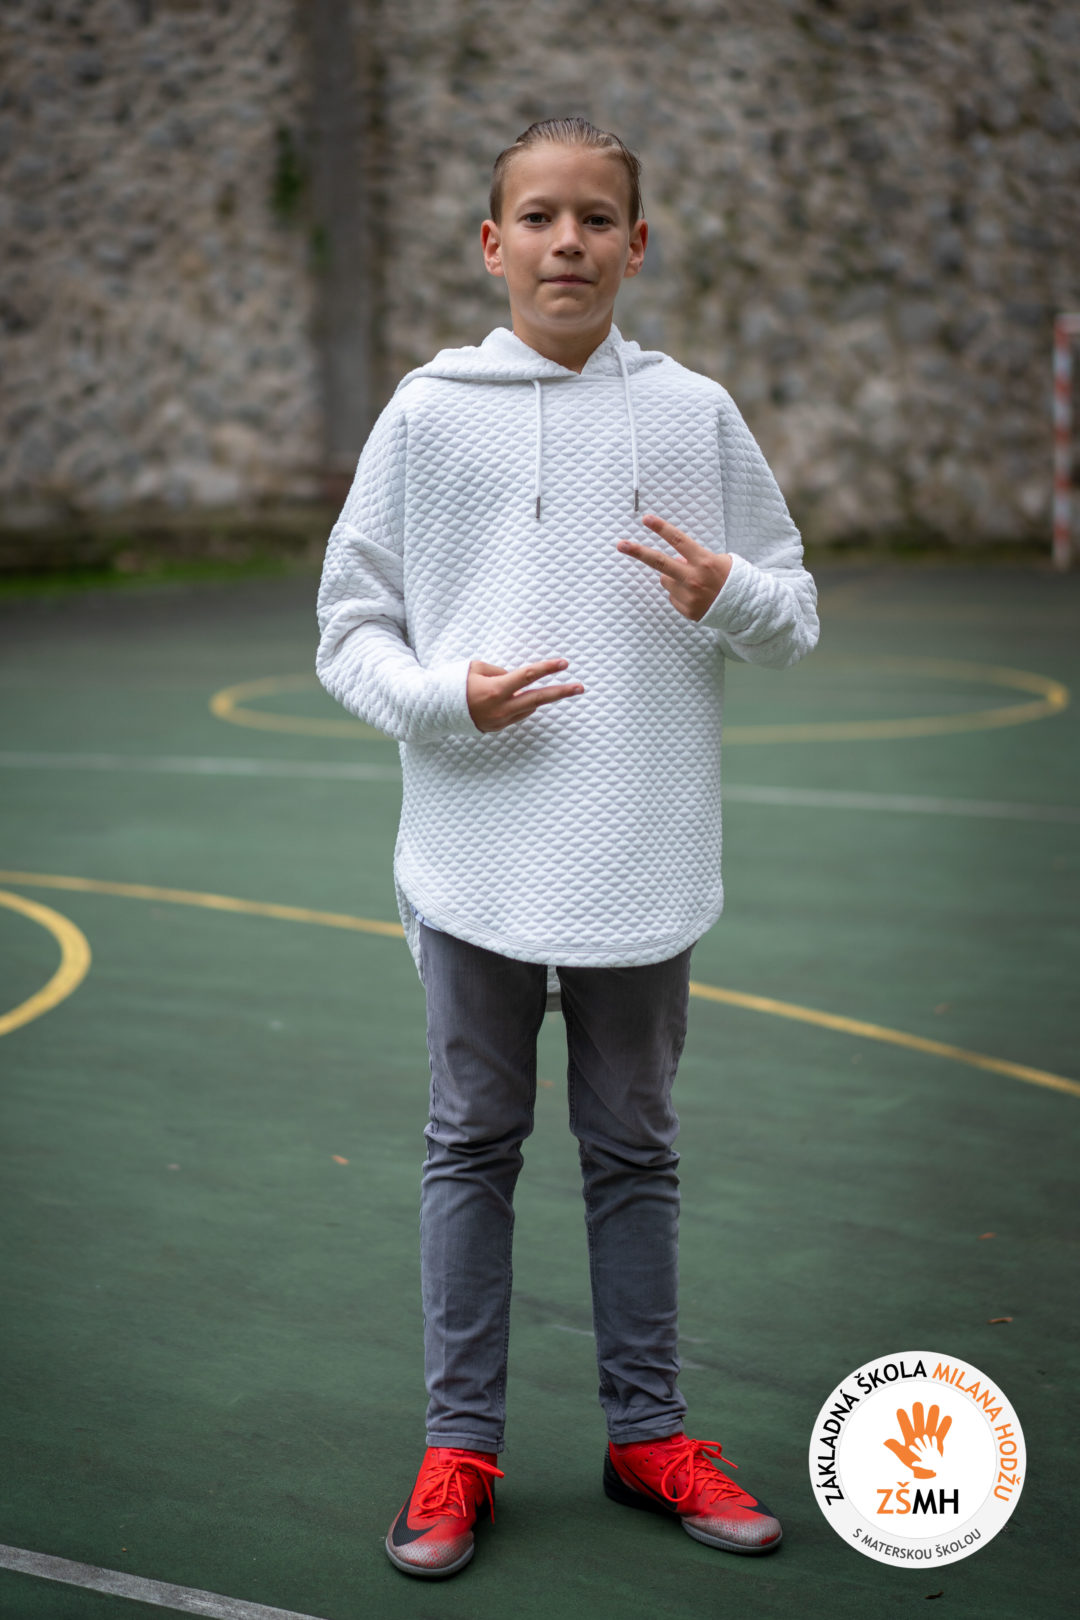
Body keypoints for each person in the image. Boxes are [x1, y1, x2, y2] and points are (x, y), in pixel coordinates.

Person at [315, 116, 819, 1580]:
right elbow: (349, 629)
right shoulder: (426, 416)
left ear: (636, 245)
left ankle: (647, 1435)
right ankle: (459, 1447)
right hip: (473, 856)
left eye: (597, 218)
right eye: (538, 217)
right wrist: (445, 700)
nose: (568, 242)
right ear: (493, 245)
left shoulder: (696, 416)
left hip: (640, 853)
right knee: (472, 1144)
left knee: (635, 1151)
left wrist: (730, 592)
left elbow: (794, 609)